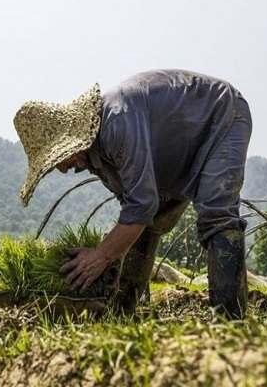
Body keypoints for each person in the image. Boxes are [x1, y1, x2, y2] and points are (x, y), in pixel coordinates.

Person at [13, 69, 252, 319]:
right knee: (146, 225)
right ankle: (120, 312)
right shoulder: (96, 157)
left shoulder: (116, 122)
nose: (63, 169)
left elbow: (142, 205)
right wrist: (111, 250)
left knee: (217, 213)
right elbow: (135, 207)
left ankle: (230, 318)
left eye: (60, 160)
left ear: (72, 142)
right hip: (177, 155)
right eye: (54, 165)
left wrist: (101, 254)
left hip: (221, 116)